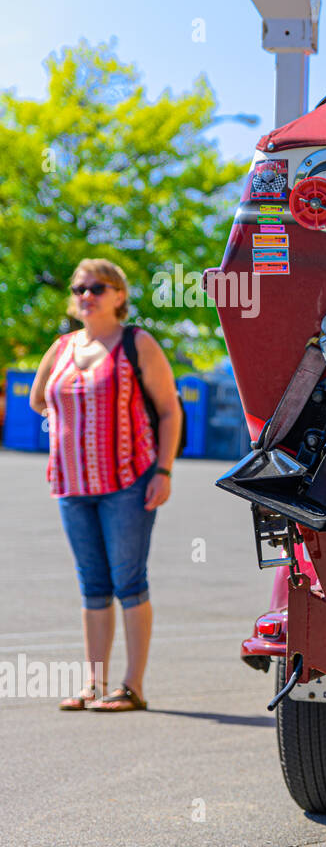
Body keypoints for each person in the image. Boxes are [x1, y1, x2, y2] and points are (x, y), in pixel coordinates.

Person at [29, 258, 180, 711]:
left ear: (119, 295)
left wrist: (164, 471)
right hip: (71, 485)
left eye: (97, 287)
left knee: (129, 582)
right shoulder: (61, 348)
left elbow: (171, 410)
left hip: (129, 484)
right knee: (92, 585)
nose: (86, 295)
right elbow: (40, 399)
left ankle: (131, 687)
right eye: (79, 289)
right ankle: (92, 685)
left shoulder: (137, 343)